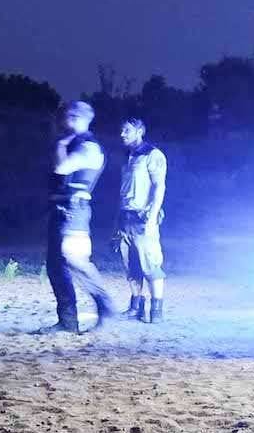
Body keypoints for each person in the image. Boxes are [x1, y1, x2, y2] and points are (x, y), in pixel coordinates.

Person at [47, 100, 115, 333]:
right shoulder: (79, 143)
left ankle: (105, 306)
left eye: (63, 117)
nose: (58, 122)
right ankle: (67, 321)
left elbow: (62, 168)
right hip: (65, 208)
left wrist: (60, 145)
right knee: (56, 266)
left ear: (75, 118)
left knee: (74, 259)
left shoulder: (88, 146)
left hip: (74, 210)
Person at [116, 117, 168, 323]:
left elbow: (159, 187)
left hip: (142, 217)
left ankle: (157, 311)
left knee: (151, 264)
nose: (122, 134)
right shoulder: (127, 156)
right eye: (121, 131)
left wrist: (152, 215)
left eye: (126, 130)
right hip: (126, 217)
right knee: (130, 265)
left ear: (139, 131)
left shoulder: (152, 154)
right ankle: (136, 306)